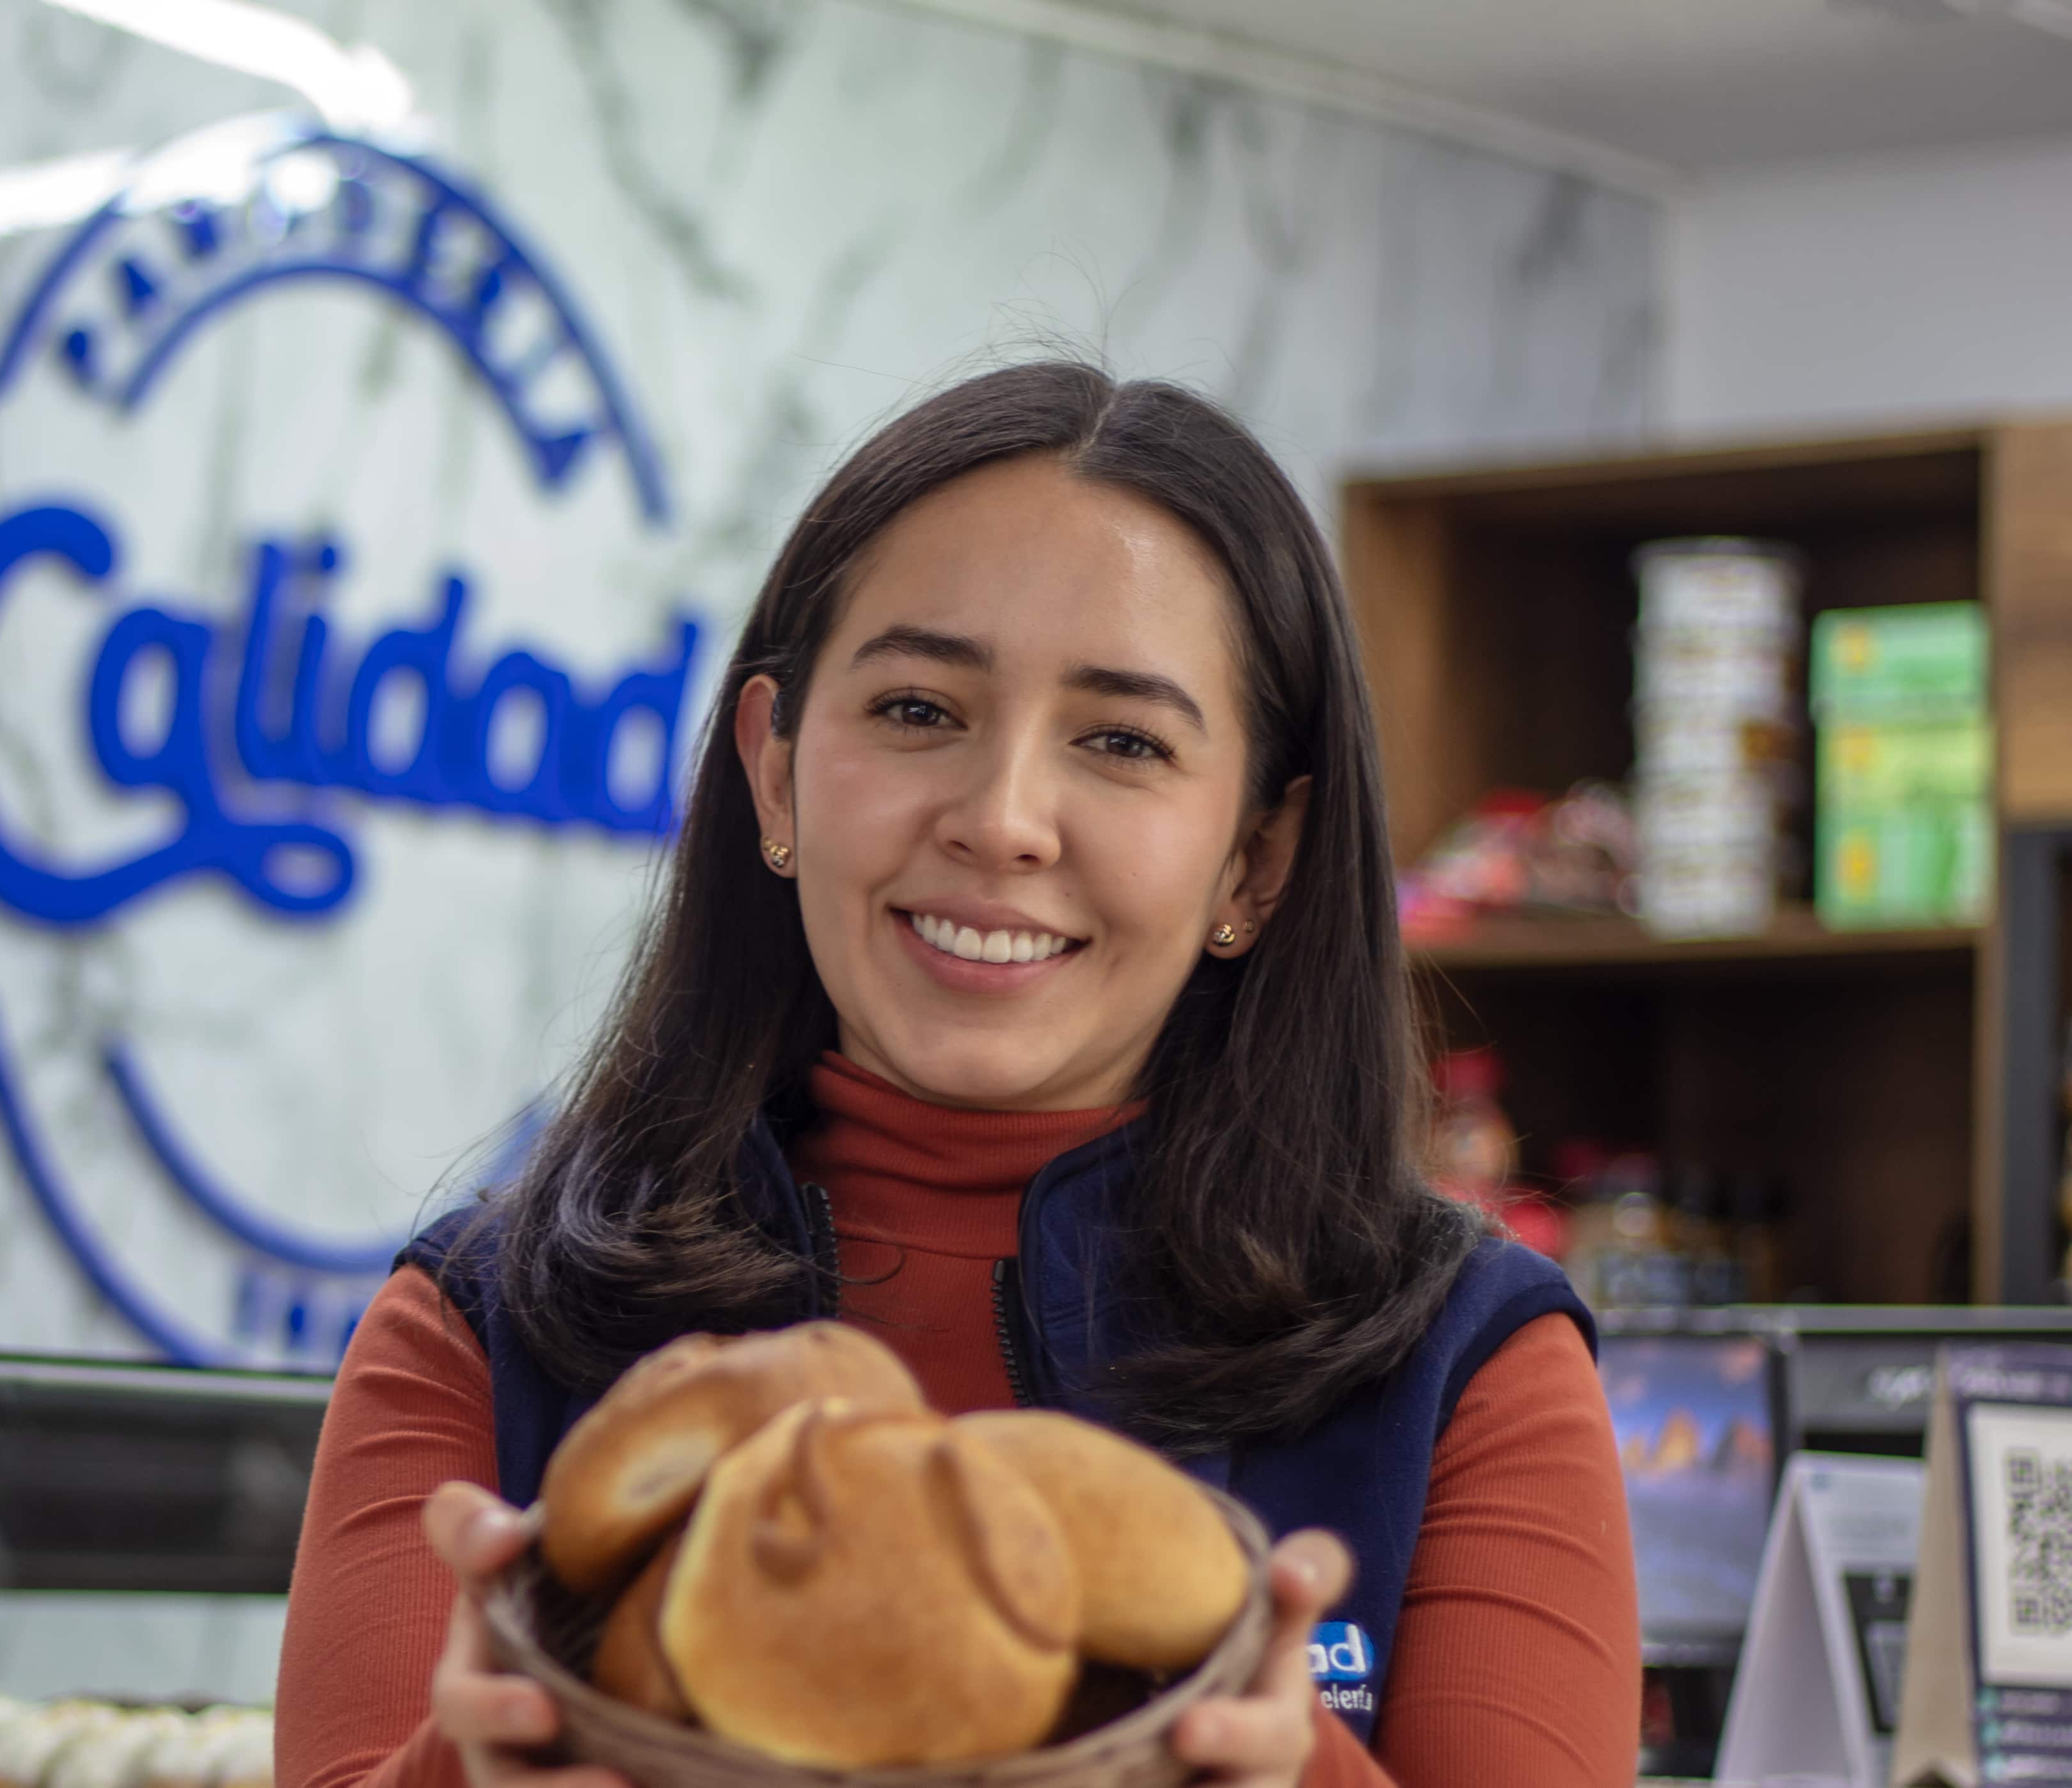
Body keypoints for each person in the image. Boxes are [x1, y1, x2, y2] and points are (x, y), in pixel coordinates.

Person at [275, 363, 1636, 1788]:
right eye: (920, 709)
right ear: (778, 771)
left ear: (1256, 858)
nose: (1000, 821)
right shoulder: (484, 1330)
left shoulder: (1466, 1362)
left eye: (1121, 740)